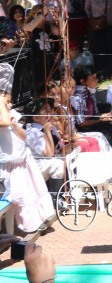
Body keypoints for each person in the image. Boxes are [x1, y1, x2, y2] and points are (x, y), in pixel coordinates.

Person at [0, 63, 56, 234]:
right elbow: (4, 122)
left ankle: (41, 218)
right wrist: (1, 103)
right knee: (21, 196)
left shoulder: (13, 115)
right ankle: (27, 225)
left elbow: (23, 135)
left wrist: (16, 126)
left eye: (10, 101)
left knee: (35, 190)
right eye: (6, 102)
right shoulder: (4, 116)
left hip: (24, 160)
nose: (10, 105)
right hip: (10, 164)